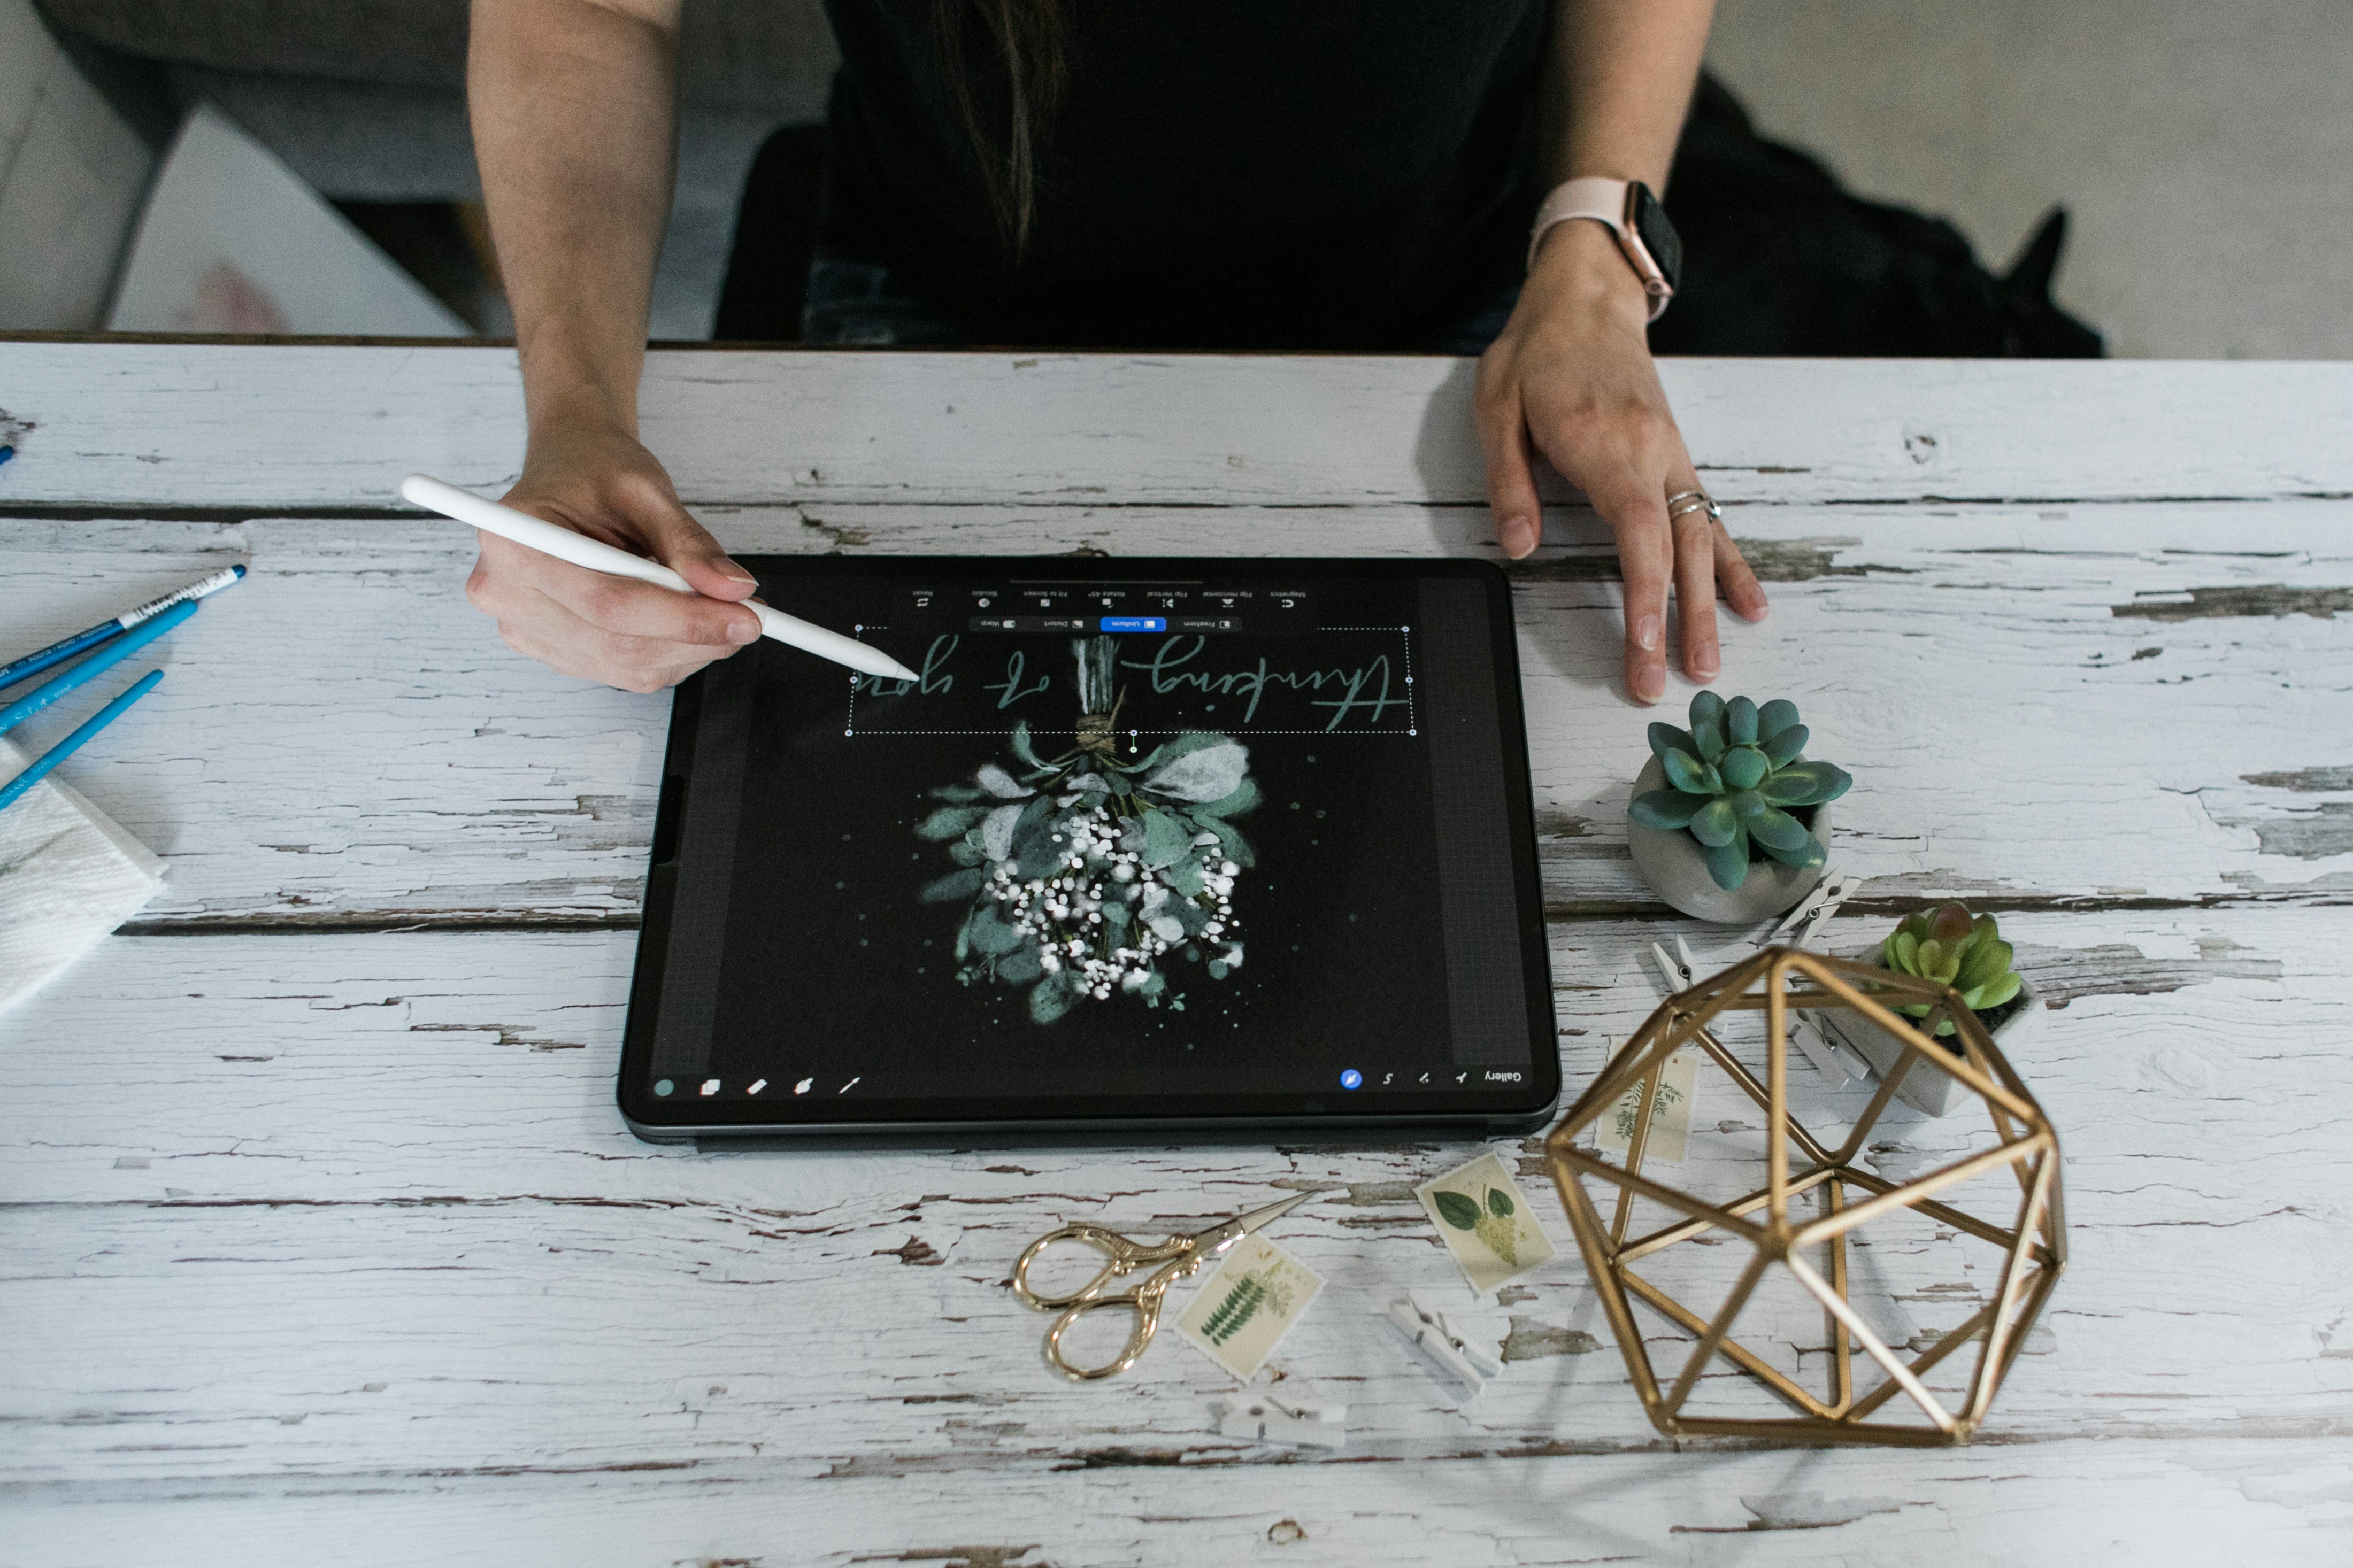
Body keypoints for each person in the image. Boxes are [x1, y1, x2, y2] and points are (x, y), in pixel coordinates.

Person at [464, 0, 1767, 704]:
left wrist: (1595, 255)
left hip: (1455, 297)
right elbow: (587, 13)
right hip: (941, 300)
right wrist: (574, 410)